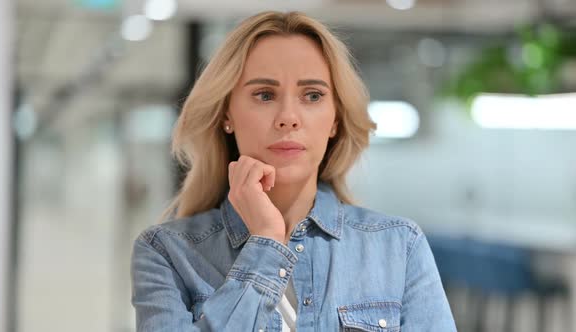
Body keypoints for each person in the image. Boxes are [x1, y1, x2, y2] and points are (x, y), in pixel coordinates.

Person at [130, 10, 456, 332]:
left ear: (336, 120)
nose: (288, 116)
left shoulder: (398, 246)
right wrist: (265, 242)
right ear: (226, 114)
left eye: (312, 95)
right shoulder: (167, 253)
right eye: (265, 94)